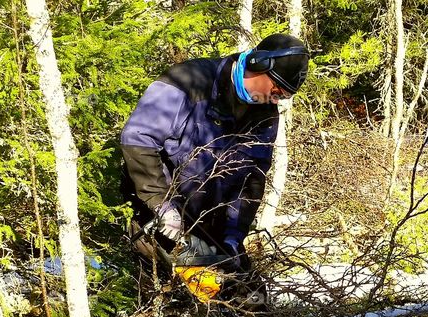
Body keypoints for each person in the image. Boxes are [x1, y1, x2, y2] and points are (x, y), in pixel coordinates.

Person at [119, 33, 309, 294]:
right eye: (276, 90)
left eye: (284, 96)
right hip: (159, 219)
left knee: (253, 304)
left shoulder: (265, 113)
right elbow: (137, 138)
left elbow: (252, 177)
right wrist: (161, 206)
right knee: (177, 311)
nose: (276, 99)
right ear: (258, 65)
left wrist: (233, 237)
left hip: (212, 224)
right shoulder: (187, 80)